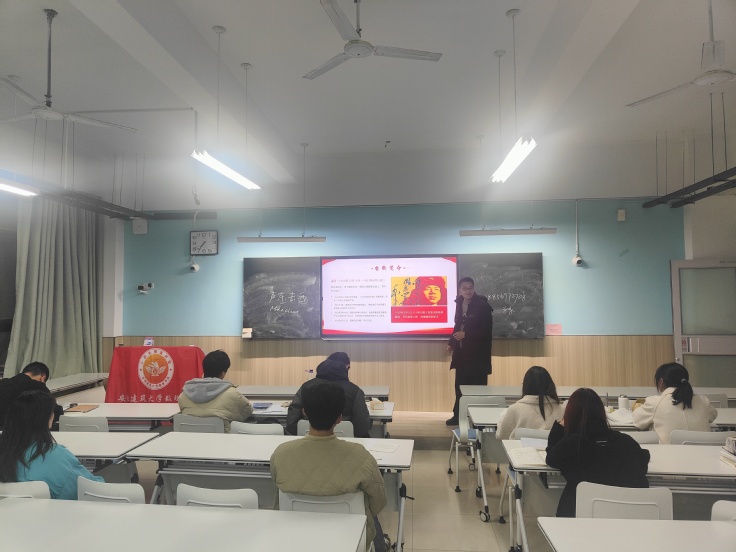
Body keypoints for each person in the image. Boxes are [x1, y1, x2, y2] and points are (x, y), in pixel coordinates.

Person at [271, 381, 387, 551]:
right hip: (350, 539)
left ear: (304, 412)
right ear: (339, 418)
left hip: (296, 538)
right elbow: (379, 501)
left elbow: (277, 494)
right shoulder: (360, 456)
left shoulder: (281, 454)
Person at [545, 388, 650, 517]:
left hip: (580, 516)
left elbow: (551, 458)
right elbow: (643, 462)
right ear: (601, 412)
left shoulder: (572, 444)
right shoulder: (626, 442)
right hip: (625, 516)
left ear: (570, 415)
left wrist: (559, 427)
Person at [0, 390, 104, 499]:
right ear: (46, 419)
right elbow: (90, 490)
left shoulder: (5, 453)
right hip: (56, 510)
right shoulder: (56, 456)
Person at [446, 277, 494, 425]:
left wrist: (466, 335)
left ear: (474, 289)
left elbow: (487, 331)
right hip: (461, 355)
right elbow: (458, 325)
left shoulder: (482, 306)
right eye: (465, 288)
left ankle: (477, 419)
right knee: (459, 387)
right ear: (460, 290)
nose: (468, 291)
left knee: (477, 389)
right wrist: (452, 343)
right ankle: (458, 416)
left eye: (470, 288)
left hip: (478, 356)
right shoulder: (459, 303)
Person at [632, 362, 717, 444]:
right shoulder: (703, 400)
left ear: (661, 381)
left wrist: (637, 407)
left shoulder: (655, 403)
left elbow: (637, 421)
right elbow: (713, 416)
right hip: (704, 452)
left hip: (668, 453)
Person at [286, 357, 371, 437]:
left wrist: (294, 434)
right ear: (344, 372)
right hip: (346, 437)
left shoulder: (306, 386)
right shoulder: (355, 390)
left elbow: (293, 413)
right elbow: (362, 425)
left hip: (308, 435)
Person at [178, 350, 253, 432]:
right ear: (222, 373)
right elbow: (247, 410)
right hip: (222, 439)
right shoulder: (233, 395)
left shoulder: (183, 395)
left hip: (190, 439)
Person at [496, 366, 564, 439]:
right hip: (552, 446)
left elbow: (501, 435)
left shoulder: (514, 409)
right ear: (551, 385)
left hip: (520, 447)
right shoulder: (563, 410)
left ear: (526, 385)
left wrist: (501, 421)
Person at [0, 361, 63, 429]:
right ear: (43, 377)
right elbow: (56, 412)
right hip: (21, 432)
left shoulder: (3, 383)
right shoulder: (38, 386)